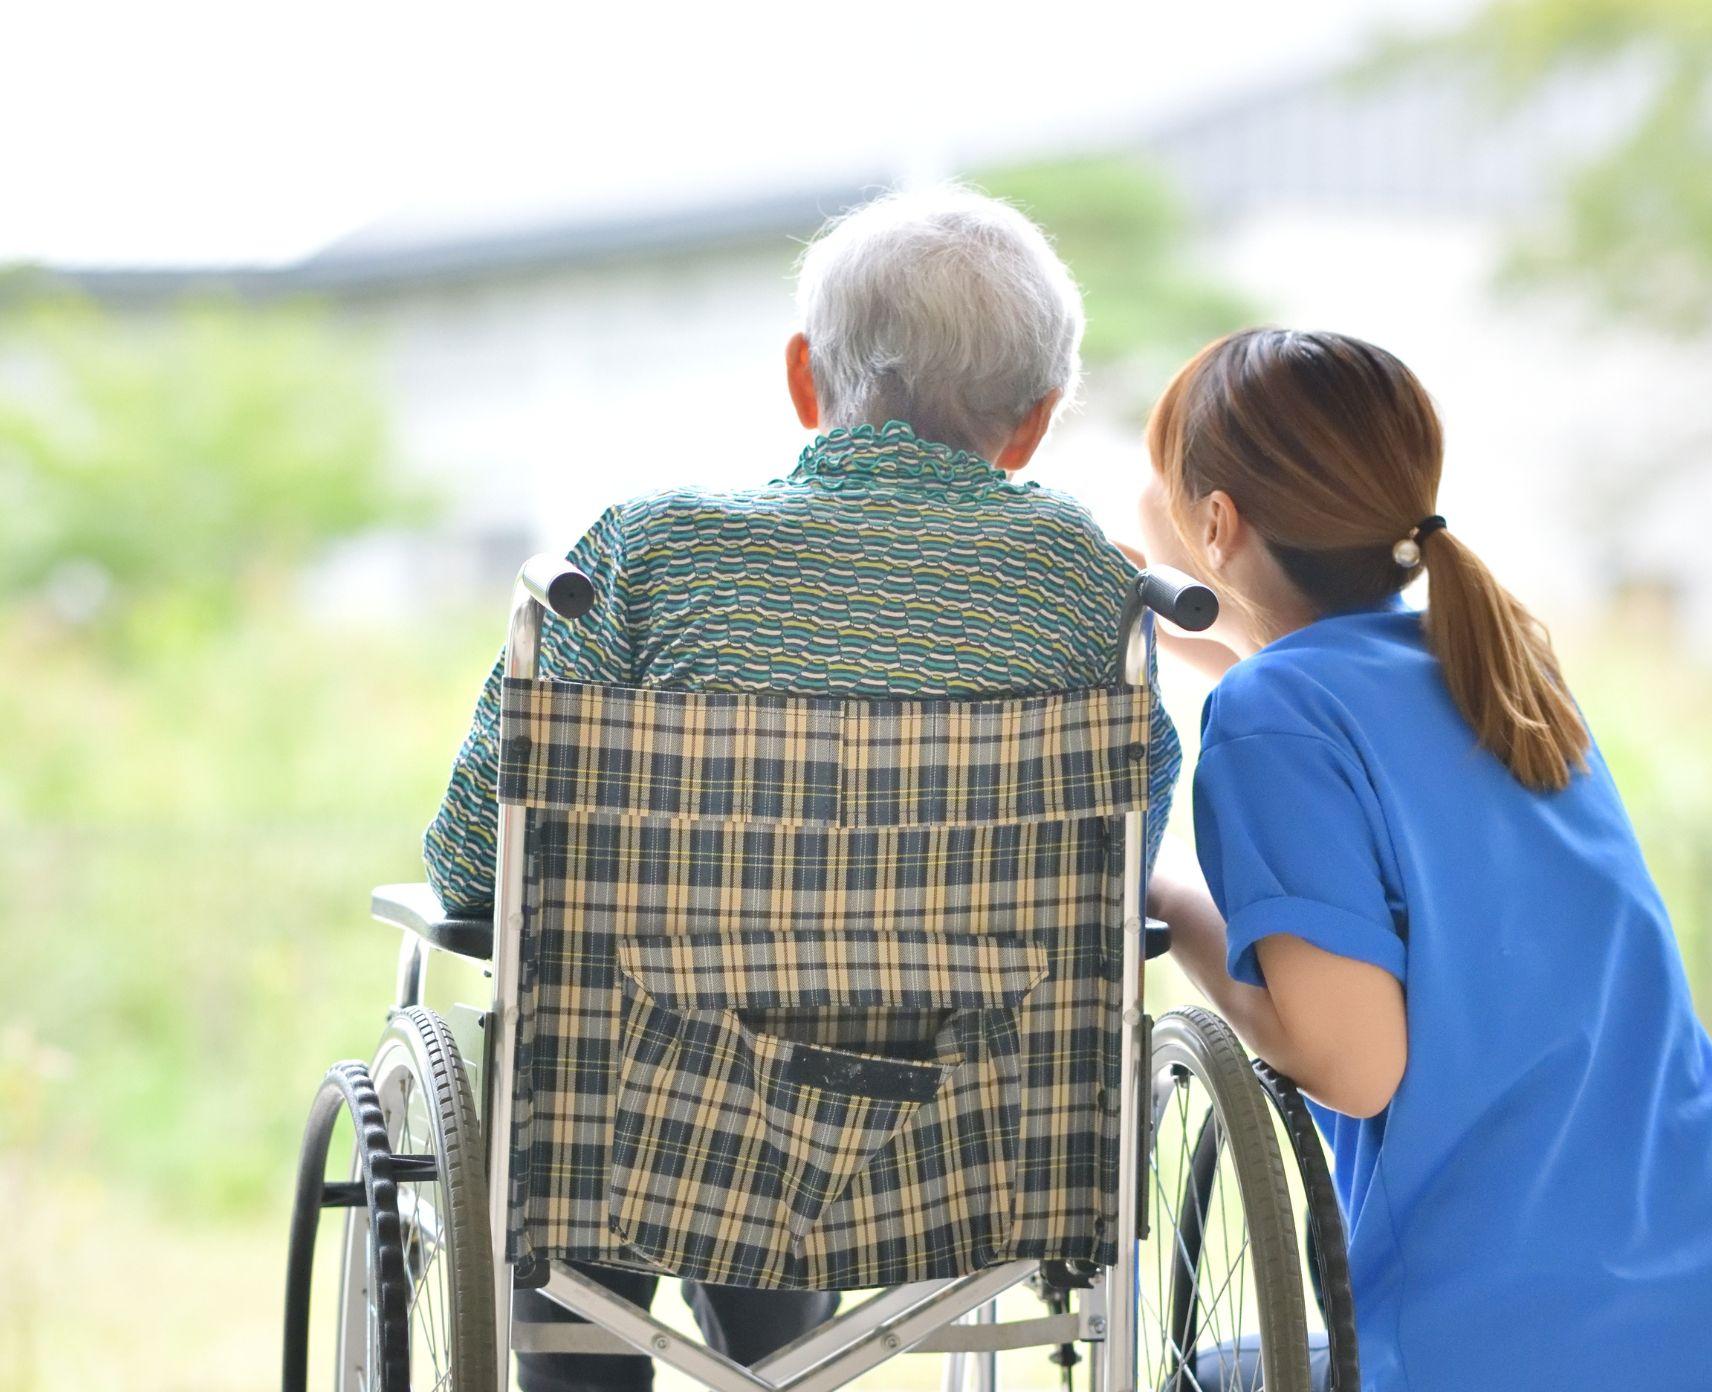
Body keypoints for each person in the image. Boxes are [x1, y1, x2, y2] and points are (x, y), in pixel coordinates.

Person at [424, 185, 1183, 1392]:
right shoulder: (1084, 586)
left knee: (642, 1048)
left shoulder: (646, 552)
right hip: (968, 1124)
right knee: (830, 1033)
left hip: (642, 1121)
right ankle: (784, 1342)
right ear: (1035, 421)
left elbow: (480, 858)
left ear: (801, 375)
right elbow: (1116, 851)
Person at [1137, 326, 1712, 1388]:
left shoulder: (1271, 715)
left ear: (1214, 525)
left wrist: (1160, 890)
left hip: (1504, 1341)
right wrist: (1221, 643)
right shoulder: (1501, 662)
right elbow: (1346, 702)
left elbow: (1353, 1066)